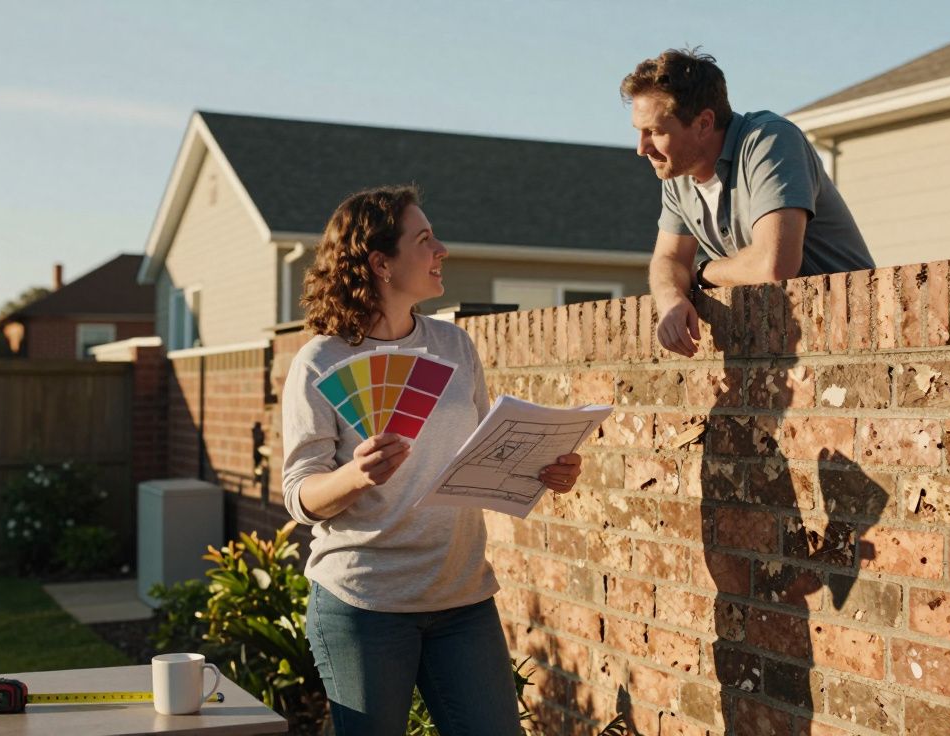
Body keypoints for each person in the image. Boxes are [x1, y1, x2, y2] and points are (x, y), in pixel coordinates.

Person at [281, 185, 583, 736]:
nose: (441, 249)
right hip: (364, 603)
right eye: (424, 240)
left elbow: (484, 455)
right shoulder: (320, 361)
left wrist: (544, 468)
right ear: (380, 263)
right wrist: (355, 475)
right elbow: (299, 496)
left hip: (462, 597)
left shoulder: (454, 346)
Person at [621, 48, 875, 357]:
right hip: (781, 347)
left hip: (857, 335)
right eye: (639, 132)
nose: (641, 148)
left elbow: (774, 265)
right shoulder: (678, 176)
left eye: (656, 131)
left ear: (703, 123)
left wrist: (703, 275)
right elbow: (669, 260)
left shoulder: (770, 141)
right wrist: (672, 301)